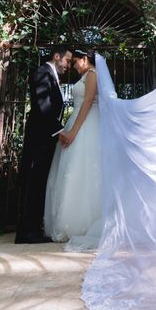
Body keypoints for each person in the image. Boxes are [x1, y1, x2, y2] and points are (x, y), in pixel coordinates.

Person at [15, 45, 72, 244]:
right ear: (57, 56)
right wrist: (59, 131)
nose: (68, 66)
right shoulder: (42, 72)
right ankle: (26, 232)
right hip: (38, 138)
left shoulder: (51, 74)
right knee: (33, 180)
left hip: (45, 138)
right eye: (67, 61)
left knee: (39, 181)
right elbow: (42, 105)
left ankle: (33, 228)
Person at [44, 49, 101, 244]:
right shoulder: (85, 75)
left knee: (84, 172)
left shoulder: (92, 74)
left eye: (76, 61)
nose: (73, 66)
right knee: (71, 172)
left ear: (85, 59)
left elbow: (87, 102)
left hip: (86, 126)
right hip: (76, 122)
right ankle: (68, 221)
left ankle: (83, 224)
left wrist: (74, 132)